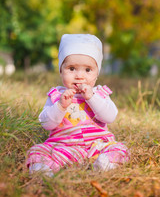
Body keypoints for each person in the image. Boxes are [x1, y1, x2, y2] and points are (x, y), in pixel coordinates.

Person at [27, 34, 130, 177]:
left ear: (97, 74)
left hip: (97, 146)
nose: (79, 76)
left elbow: (110, 116)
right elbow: (46, 123)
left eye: (88, 70)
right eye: (72, 68)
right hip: (64, 147)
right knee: (38, 150)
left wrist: (91, 98)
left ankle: (105, 164)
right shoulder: (57, 95)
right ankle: (43, 170)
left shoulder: (99, 93)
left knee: (119, 148)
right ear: (61, 70)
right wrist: (61, 106)